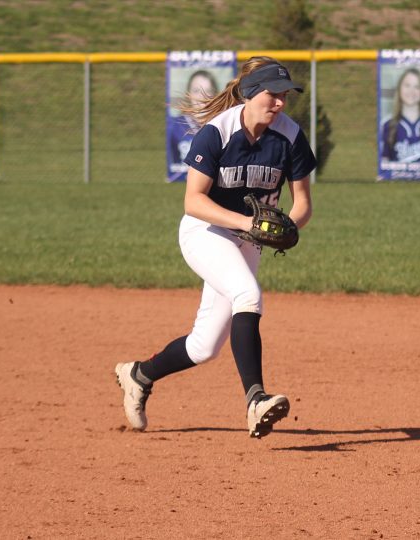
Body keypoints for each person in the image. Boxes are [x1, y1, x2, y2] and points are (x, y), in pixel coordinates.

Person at [115, 56, 316, 438]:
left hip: (248, 241)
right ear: (251, 93)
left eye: (285, 96)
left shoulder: (290, 136)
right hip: (204, 232)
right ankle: (255, 400)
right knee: (248, 295)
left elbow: (302, 202)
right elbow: (193, 200)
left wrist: (290, 226)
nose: (279, 103)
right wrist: (247, 223)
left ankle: (138, 374)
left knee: (204, 346)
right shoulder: (217, 132)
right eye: (273, 95)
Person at [380, 67, 420, 163]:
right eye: (407, 85)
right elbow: (385, 162)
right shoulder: (388, 125)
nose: (411, 91)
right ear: (399, 89)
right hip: (398, 177)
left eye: (417, 87)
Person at [168, 70, 219, 181]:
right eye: (196, 91)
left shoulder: (223, 122)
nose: (202, 96)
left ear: (215, 94)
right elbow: (174, 162)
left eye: (208, 90)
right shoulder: (177, 126)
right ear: (189, 94)